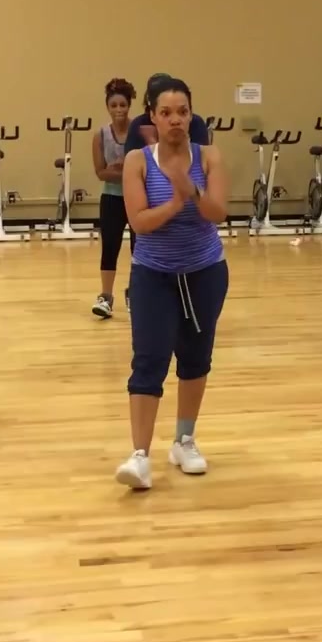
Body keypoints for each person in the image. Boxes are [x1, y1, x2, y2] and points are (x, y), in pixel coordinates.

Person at [113, 77, 229, 490]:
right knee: (149, 360)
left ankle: (184, 441)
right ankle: (140, 455)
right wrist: (177, 201)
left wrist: (192, 191)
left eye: (182, 112)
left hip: (205, 271)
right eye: (166, 112)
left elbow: (218, 213)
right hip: (153, 274)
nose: (176, 119)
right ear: (153, 117)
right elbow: (140, 222)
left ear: (191, 115)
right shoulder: (138, 161)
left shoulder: (209, 155)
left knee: (195, 357)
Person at [91, 77, 137, 319]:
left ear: (129, 105)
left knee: (140, 248)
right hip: (111, 198)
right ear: (107, 107)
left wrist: (121, 168)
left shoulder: (139, 132)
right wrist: (126, 171)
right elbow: (101, 172)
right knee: (110, 247)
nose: (119, 109)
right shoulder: (101, 135)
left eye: (123, 105)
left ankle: (136, 292)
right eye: (114, 105)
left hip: (137, 197)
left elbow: (146, 168)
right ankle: (106, 296)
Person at [124, 73, 212, 154]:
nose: (175, 121)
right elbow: (129, 156)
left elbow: (201, 157)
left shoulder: (196, 123)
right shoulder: (138, 124)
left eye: (183, 112)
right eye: (165, 113)